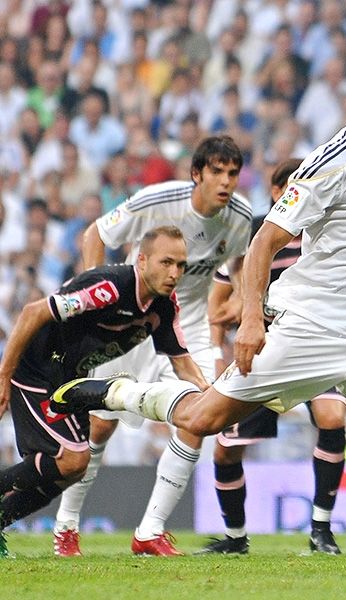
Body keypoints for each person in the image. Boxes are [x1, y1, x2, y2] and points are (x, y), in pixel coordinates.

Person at [51, 49, 346, 571]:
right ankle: (117, 391)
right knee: (202, 418)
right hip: (309, 329)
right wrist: (249, 319)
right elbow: (264, 242)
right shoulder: (327, 167)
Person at [52, 136, 251, 556]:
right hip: (131, 321)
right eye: (217, 171)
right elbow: (95, 233)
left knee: (199, 418)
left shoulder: (239, 217)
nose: (226, 182)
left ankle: (150, 532)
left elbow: (240, 263)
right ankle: (66, 528)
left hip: (187, 326)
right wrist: (96, 293)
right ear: (197, 174)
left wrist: (239, 297)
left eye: (232, 173)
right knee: (101, 425)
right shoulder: (157, 200)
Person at [0, 227, 204, 557]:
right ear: (142, 260)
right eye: (166, 262)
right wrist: (3, 376)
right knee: (71, 459)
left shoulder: (164, 307)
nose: (174, 273)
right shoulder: (109, 289)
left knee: (73, 468)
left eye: (181, 265)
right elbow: (32, 312)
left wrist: (214, 398)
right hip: (35, 368)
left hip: (69, 377)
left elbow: (182, 362)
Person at [196, 158, 346, 556]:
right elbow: (218, 306)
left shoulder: (329, 230)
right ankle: (235, 539)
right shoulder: (255, 234)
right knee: (226, 447)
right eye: (286, 186)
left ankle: (321, 529)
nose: (294, 193)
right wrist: (217, 352)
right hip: (264, 351)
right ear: (276, 192)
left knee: (332, 417)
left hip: (317, 345)